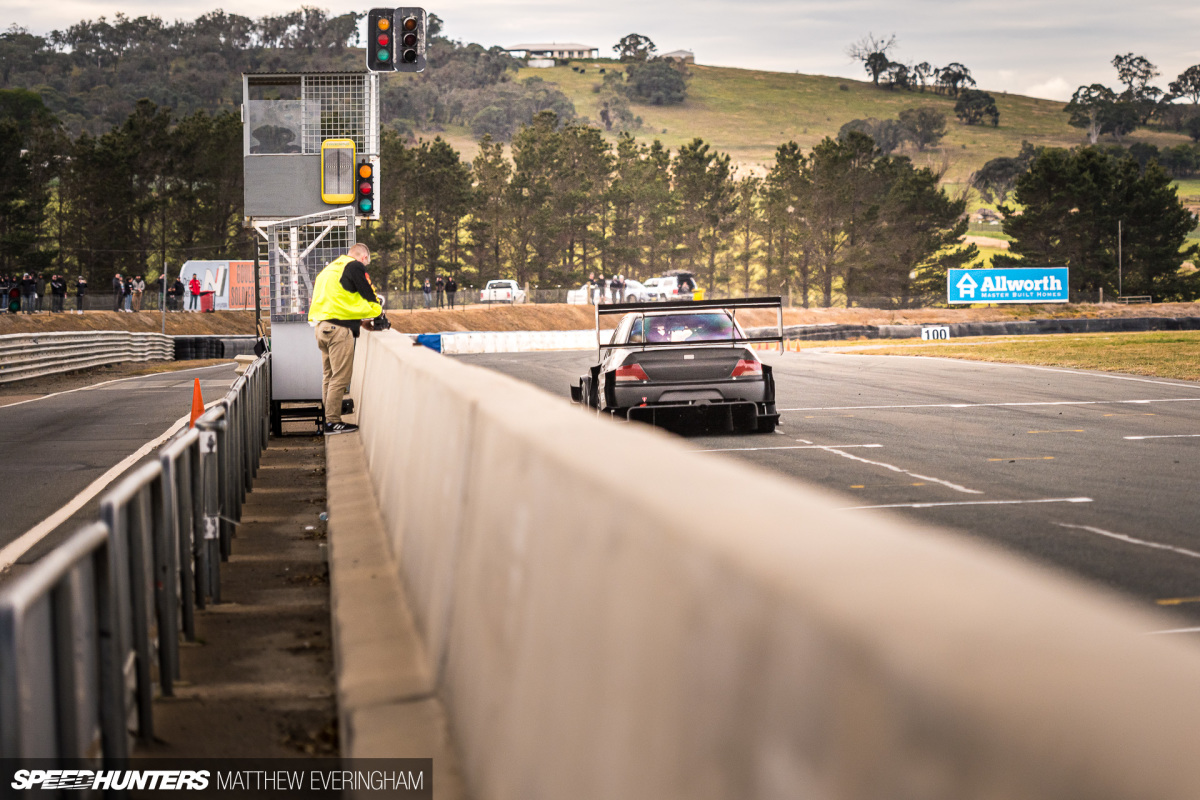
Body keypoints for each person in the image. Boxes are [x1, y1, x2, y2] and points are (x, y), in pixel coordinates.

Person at [307, 243, 387, 435]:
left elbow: (340, 302)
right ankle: (333, 422)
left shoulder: (330, 269)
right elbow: (367, 293)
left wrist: (359, 322)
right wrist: (378, 311)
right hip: (338, 331)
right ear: (363, 258)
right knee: (340, 378)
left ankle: (329, 418)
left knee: (329, 376)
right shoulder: (355, 266)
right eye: (366, 263)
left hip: (322, 328)